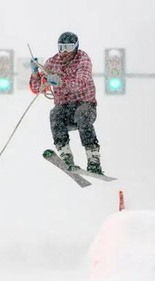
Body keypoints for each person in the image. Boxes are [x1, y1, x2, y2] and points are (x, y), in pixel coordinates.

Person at [29, 31, 104, 175]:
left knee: (82, 114)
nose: (64, 52)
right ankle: (66, 156)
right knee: (55, 114)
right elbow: (37, 88)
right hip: (65, 109)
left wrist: (61, 82)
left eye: (68, 48)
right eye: (61, 47)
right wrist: (35, 73)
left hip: (84, 104)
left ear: (76, 47)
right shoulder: (53, 62)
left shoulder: (83, 59)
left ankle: (93, 160)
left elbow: (81, 82)